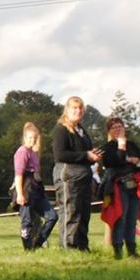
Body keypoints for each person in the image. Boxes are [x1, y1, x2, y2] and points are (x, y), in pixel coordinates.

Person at [51, 95, 101, 251]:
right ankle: (69, 248)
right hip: (68, 175)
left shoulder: (81, 130)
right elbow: (60, 155)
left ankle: (82, 246)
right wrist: (86, 155)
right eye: (74, 108)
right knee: (71, 212)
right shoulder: (61, 130)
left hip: (84, 175)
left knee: (84, 212)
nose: (77, 111)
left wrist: (93, 156)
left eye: (80, 108)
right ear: (67, 109)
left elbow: (85, 152)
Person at [98, 117, 140, 258]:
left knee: (132, 219)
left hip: (134, 186)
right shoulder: (107, 148)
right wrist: (122, 149)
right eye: (114, 127)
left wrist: (136, 160)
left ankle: (132, 251)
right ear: (109, 131)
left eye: (120, 126)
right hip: (118, 187)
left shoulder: (132, 145)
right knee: (120, 217)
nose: (118, 129)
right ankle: (118, 252)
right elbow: (115, 161)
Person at [13, 122, 58, 250]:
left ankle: (38, 242)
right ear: (25, 138)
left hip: (37, 190)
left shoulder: (34, 153)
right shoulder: (22, 152)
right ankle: (28, 249)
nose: (32, 140)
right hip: (26, 190)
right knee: (26, 222)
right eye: (29, 137)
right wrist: (20, 194)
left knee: (52, 217)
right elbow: (19, 174)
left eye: (34, 137)